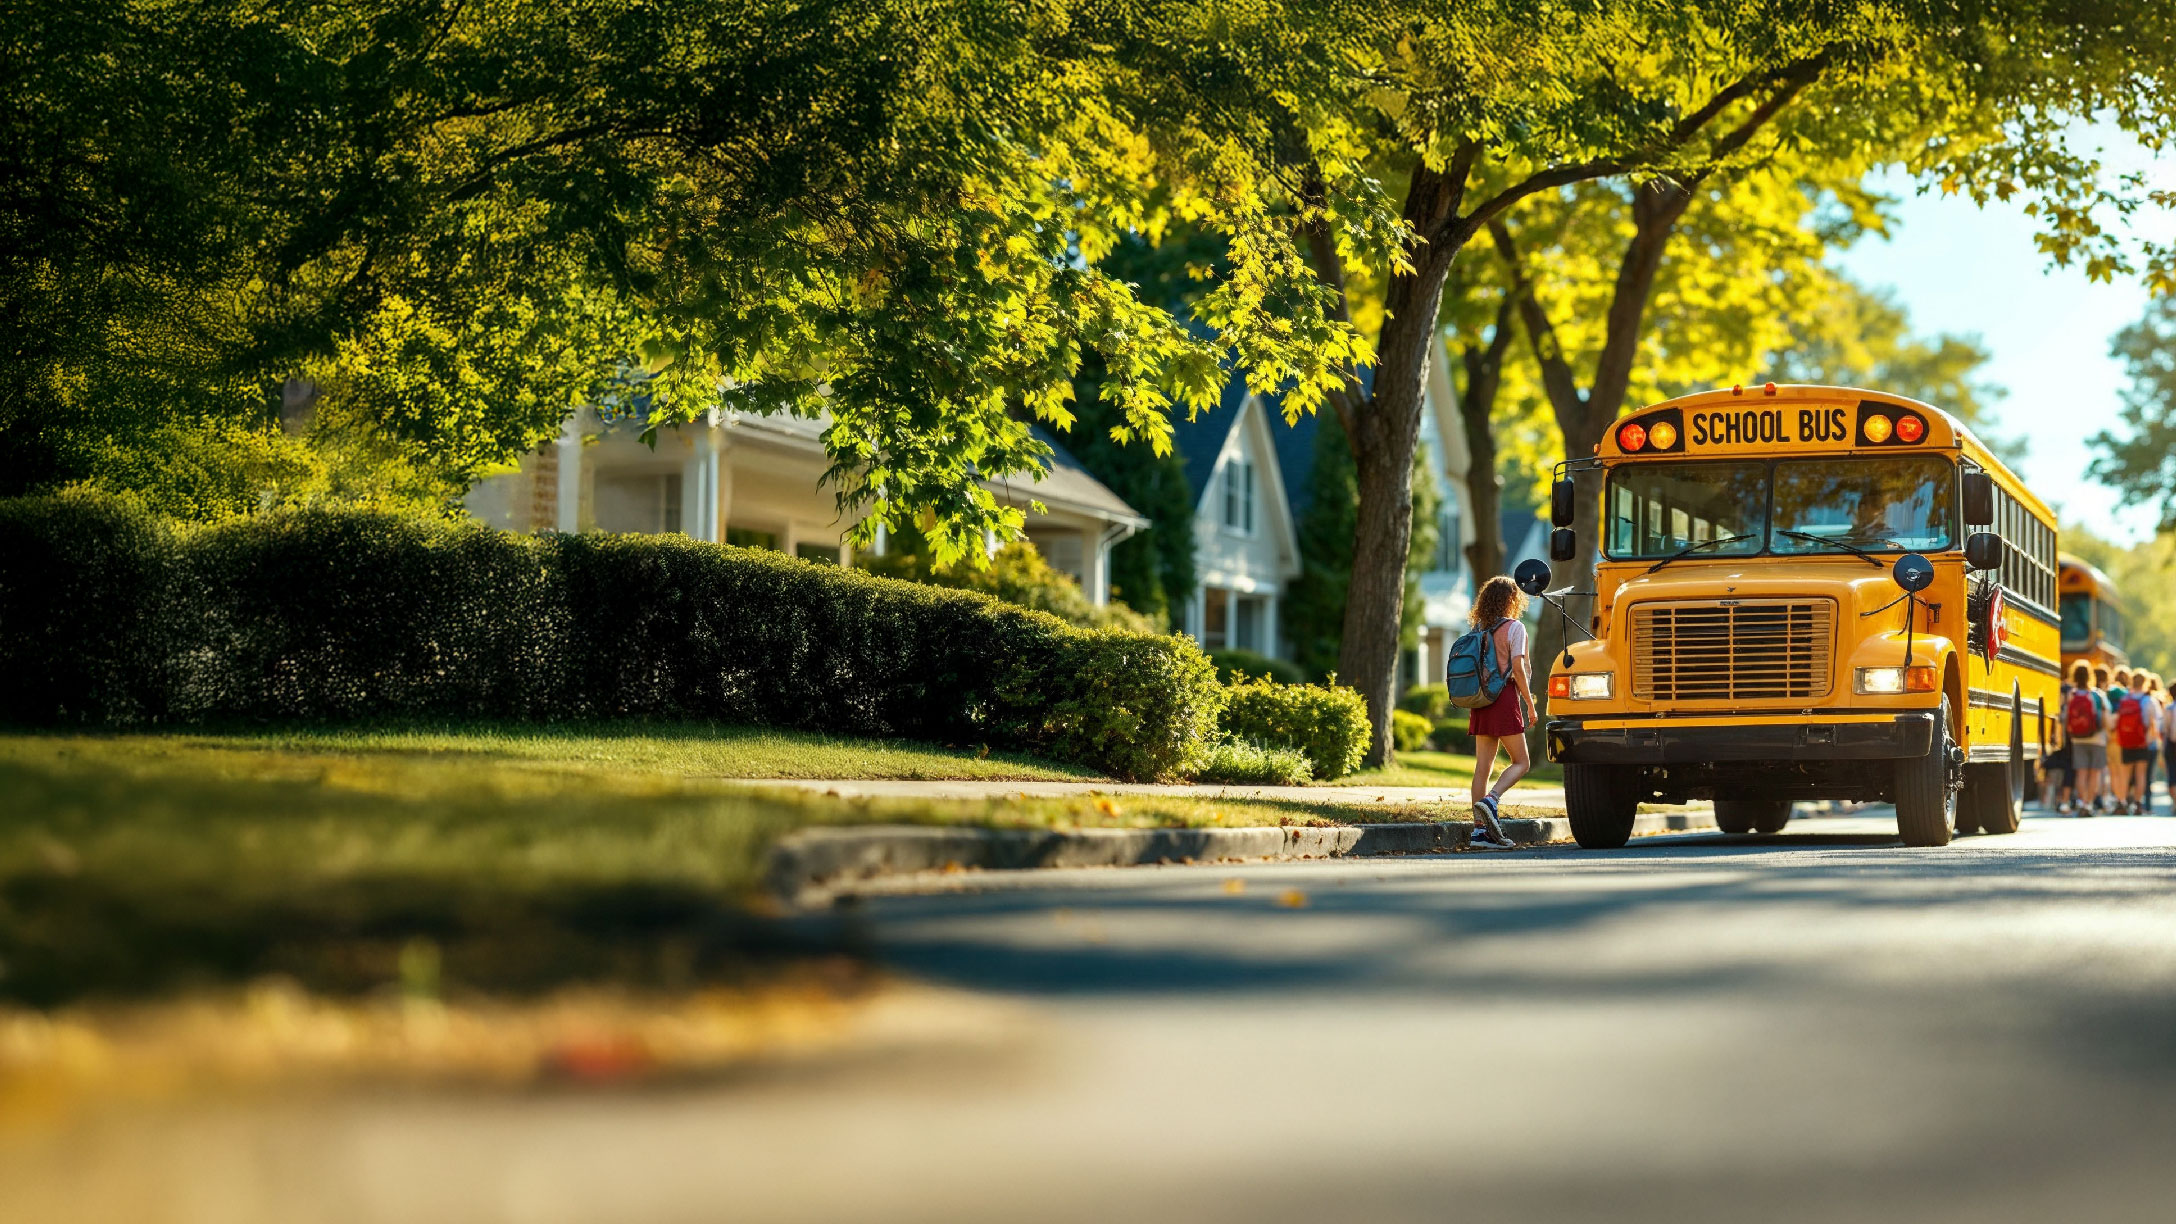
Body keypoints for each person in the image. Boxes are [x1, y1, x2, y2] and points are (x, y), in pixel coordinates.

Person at [1466, 575, 1537, 850]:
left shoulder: (1479, 626)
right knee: (1522, 762)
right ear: (1511, 600)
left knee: (1481, 768)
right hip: (1504, 698)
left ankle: (1478, 833)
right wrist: (1530, 704)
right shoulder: (1515, 628)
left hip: (1481, 700)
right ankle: (1492, 800)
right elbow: (1517, 669)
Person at [2071, 662, 2111, 815]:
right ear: (2090, 676)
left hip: (2077, 739)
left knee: (2081, 773)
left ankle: (2081, 803)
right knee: (2094, 773)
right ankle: (2088, 804)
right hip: (2097, 738)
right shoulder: (2098, 694)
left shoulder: (2072, 694)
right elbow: (2106, 717)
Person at [2112, 668, 2152, 815]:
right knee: (2140, 774)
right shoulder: (2147, 700)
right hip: (2142, 741)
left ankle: (2122, 802)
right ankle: (2137, 804)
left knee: (2125, 774)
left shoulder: (2125, 699)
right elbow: (2151, 722)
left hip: (2126, 740)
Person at [2043, 674, 2076, 813]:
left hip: (2062, 747)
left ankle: (2058, 800)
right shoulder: (2071, 708)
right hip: (2073, 745)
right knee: (2070, 773)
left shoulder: (2060, 710)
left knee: (2061, 773)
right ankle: (2066, 800)